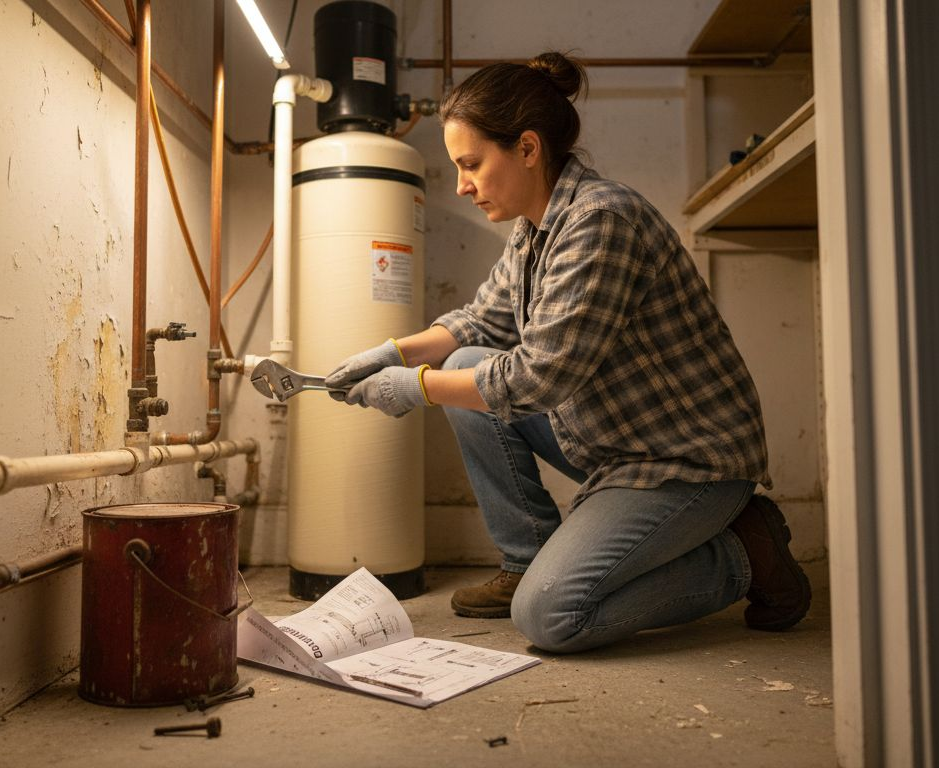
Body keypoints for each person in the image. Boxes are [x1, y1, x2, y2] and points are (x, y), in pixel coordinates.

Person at [324, 52, 810, 653]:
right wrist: (390, 351)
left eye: (471, 164)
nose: (461, 185)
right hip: (619, 438)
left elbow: (537, 378)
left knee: (552, 617)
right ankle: (528, 558)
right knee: (464, 365)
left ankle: (742, 553)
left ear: (527, 148)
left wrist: (413, 386)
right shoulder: (534, 228)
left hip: (688, 460)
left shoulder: (602, 220)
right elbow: (480, 321)